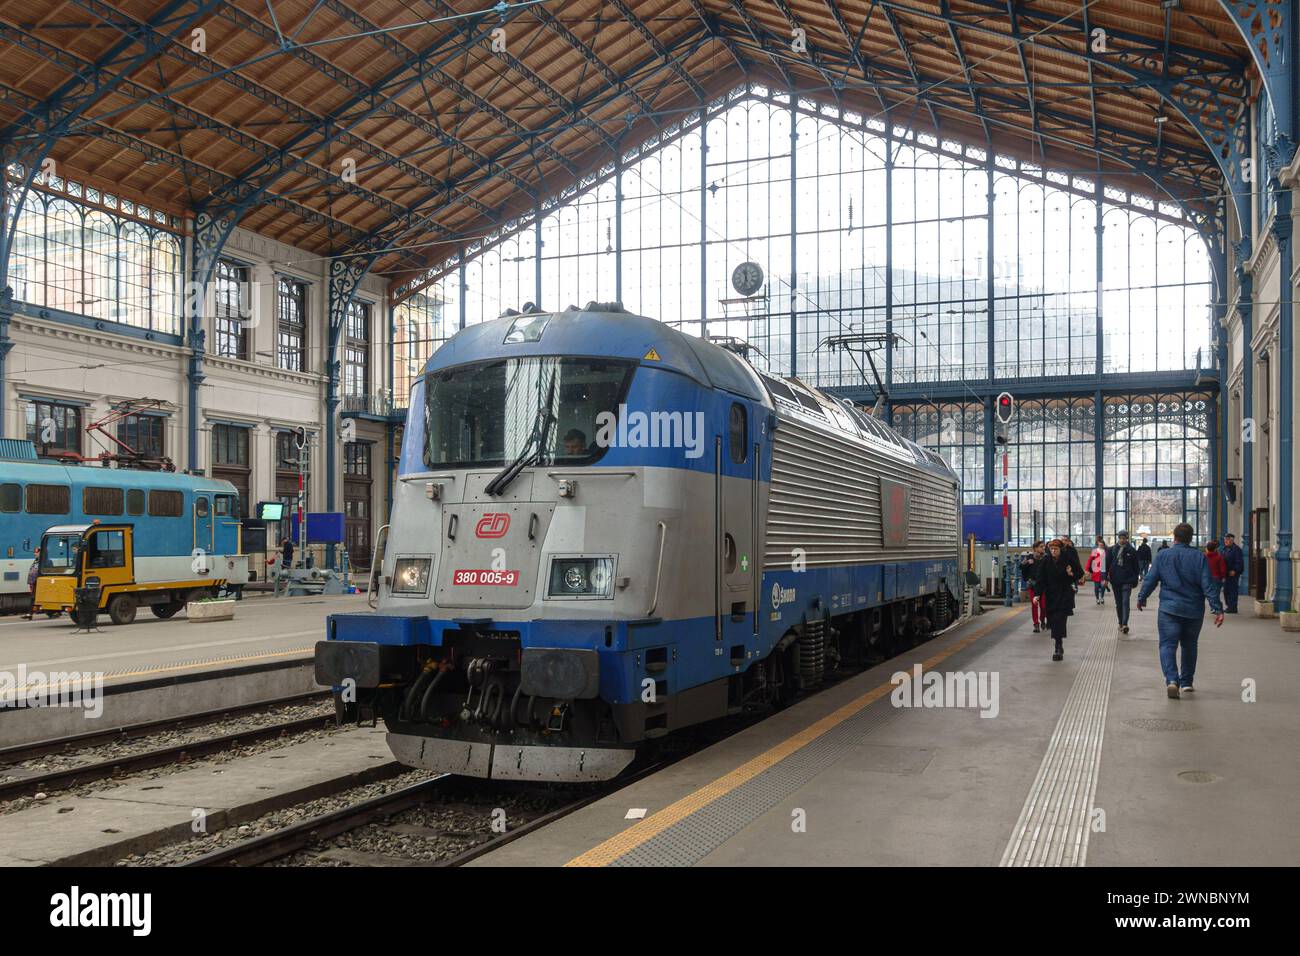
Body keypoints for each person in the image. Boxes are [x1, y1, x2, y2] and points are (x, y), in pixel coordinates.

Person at [1136, 522, 1224, 699]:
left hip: (1169, 609)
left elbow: (1151, 579)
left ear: (1174, 538)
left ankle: (1171, 680)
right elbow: (1208, 584)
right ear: (1191, 538)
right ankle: (1186, 683)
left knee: (1167, 645)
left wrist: (1142, 597)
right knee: (1190, 646)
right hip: (1193, 610)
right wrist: (1217, 608)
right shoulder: (1200, 557)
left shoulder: (1163, 555)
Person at [1036, 539, 1078, 661]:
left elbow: (1079, 573)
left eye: (1056, 549)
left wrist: (1071, 574)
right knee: (1053, 621)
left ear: (1060, 549)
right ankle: (1058, 642)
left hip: (1064, 595)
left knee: (1060, 620)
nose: (1053, 551)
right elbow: (1040, 579)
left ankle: (1058, 646)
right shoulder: (1045, 561)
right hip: (1051, 596)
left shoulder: (1068, 560)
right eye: (1051, 549)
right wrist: (1037, 594)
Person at [1106, 531, 1140, 634]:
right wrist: (1104, 578)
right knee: (1119, 603)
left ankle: (1125, 624)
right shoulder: (1112, 550)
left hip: (1127, 580)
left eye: (1124, 538)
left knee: (1125, 602)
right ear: (1118, 538)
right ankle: (1120, 622)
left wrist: (1135, 579)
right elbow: (1106, 565)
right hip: (1115, 580)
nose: (1122, 540)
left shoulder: (1132, 551)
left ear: (1127, 538)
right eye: (1120, 538)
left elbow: (1136, 567)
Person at [1019, 541, 1045, 633]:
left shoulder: (1046, 558)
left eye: (1043, 547)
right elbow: (1021, 567)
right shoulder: (1029, 558)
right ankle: (1036, 624)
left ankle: (1042, 619)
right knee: (1034, 605)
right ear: (1035, 548)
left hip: (1043, 585)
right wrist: (1025, 563)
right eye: (1041, 546)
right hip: (1032, 585)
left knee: (1043, 605)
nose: (1043, 548)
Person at [1221, 533, 1244, 613]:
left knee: (1232, 590)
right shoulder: (1224, 549)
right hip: (1226, 573)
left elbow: (1239, 562)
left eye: (1227, 540)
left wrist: (1235, 570)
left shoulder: (1236, 549)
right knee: (1226, 590)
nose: (1225, 541)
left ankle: (1233, 607)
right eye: (1225, 539)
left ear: (1232, 540)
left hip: (1233, 573)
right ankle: (1229, 606)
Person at [1088, 536, 1108, 605]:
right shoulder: (1094, 551)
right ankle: (1097, 598)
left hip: (1103, 571)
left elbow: (1109, 562)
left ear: (1104, 545)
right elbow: (1090, 560)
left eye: (1102, 545)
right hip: (1096, 570)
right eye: (1100, 545)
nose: (1101, 546)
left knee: (1103, 586)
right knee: (1096, 586)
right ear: (1098, 545)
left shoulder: (1106, 552)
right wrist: (1087, 569)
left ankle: (1102, 597)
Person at [24, 548, 40, 620]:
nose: (35, 553)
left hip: (40, 583)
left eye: (36, 552)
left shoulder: (45, 561)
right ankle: (30, 613)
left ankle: (55, 612)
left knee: (34, 598)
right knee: (33, 598)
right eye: (34, 552)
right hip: (34, 582)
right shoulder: (36, 561)